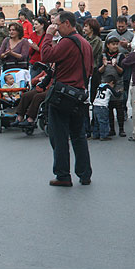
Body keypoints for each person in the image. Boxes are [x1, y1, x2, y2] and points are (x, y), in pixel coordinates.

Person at [41, 10, 94, 187]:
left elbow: (46, 56)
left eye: (57, 24)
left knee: (59, 136)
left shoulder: (67, 42)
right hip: (79, 94)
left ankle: (63, 175)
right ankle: (84, 173)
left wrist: (48, 36)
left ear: (67, 24)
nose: (55, 28)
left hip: (63, 94)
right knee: (78, 135)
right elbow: (90, 69)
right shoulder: (85, 43)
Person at [98, 36, 125, 138]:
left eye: (116, 44)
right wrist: (104, 65)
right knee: (108, 108)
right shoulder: (103, 56)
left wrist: (115, 66)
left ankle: (121, 129)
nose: (115, 46)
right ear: (108, 45)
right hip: (105, 84)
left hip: (118, 84)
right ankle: (111, 129)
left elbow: (122, 71)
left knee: (119, 107)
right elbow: (99, 71)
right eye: (112, 44)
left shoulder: (120, 56)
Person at [91, 76, 121, 140]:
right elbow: (116, 95)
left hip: (95, 105)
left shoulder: (100, 86)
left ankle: (95, 134)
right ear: (111, 82)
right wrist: (120, 92)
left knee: (96, 121)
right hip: (102, 106)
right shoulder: (109, 87)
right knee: (103, 121)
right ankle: (103, 135)